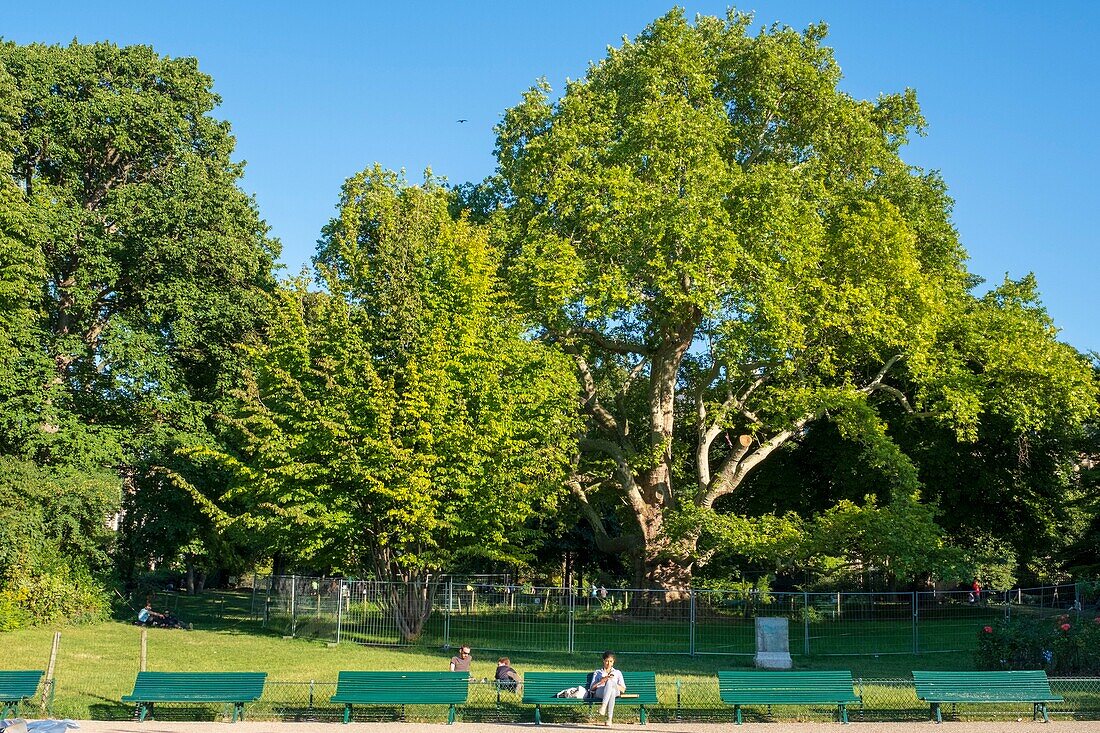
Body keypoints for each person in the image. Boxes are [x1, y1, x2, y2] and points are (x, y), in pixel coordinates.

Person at [588, 650, 626, 726]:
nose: (608, 663)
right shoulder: (598, 672)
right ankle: (609, 719)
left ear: (613, 662)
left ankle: (603, 706)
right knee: (611, 691)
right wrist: (602, 681)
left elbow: (623, 689)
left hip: (615, 690)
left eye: (611, 661)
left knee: (610, 684)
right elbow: (592, 688)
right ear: (603, 661)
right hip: (600, 692)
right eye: (606, 661)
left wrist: (613, 683)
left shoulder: (617, 672)